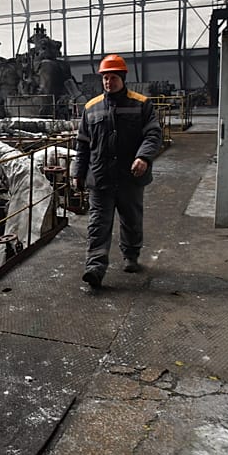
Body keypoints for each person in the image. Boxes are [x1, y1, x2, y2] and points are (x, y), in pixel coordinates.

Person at [71, 54, 162, 288]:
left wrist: (143, 156)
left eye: (112, 77)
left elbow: (153, 134)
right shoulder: (91, 108)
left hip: (130, 177)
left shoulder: (141, 104)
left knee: (131, 219)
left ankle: (131, 255)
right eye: (105, 78)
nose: (108, 82)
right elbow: (82, 143)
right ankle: (94, 267)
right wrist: (77, 172)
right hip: (101, 177)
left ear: (122, 78)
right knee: (98, 224)